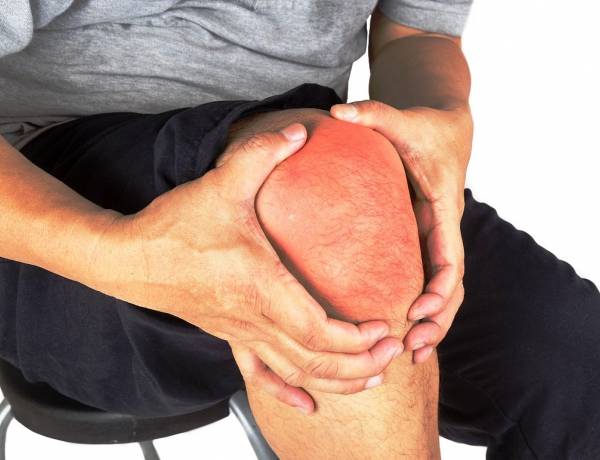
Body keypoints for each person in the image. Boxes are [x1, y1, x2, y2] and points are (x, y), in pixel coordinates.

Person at [0, 2, 598, 459]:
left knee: (575, 365)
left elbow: (419, 33)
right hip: (46, 188)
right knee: (325, 185)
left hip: (327, 176)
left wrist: (440, 121)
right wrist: (114, 252)